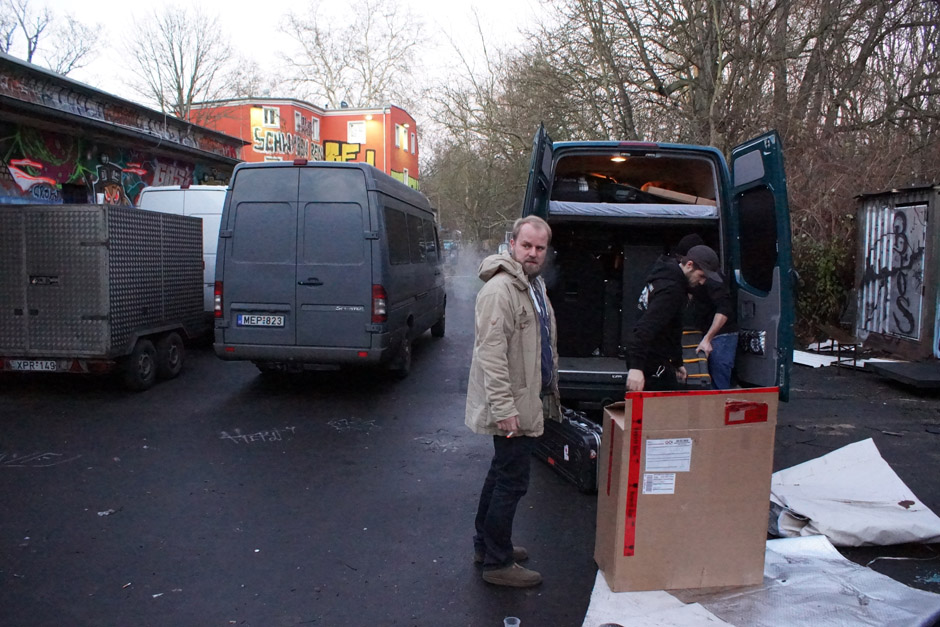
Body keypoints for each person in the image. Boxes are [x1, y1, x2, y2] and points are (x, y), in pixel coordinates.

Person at [465, 215, 561, 588]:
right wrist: (505, 409)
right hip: (511, 407)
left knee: (500, 475)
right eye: (527, 246)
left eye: (539, 248)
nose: (533, 253)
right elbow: (491, 354)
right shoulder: (501, 290)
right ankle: (497, 563)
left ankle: (486, 545)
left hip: (525, 400)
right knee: (512, 482)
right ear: (512, 244)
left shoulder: (532, 286)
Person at [625, 244, 722, 392]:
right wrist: (636, 368)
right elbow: (645, 328)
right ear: (689, 265)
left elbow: (674, 326)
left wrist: (677, 362)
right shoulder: (671, 291)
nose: (702, 282)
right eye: (701, 276)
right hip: (650, 361)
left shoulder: (668, 279)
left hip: (655, 358)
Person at [674, 234, 738, 389]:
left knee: (719, 376)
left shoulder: (713, 280)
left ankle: (720, 407)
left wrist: (708, 339)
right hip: (705, 328)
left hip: (723, 334)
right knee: (704, 375)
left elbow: (724, 309)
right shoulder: (692, 276)